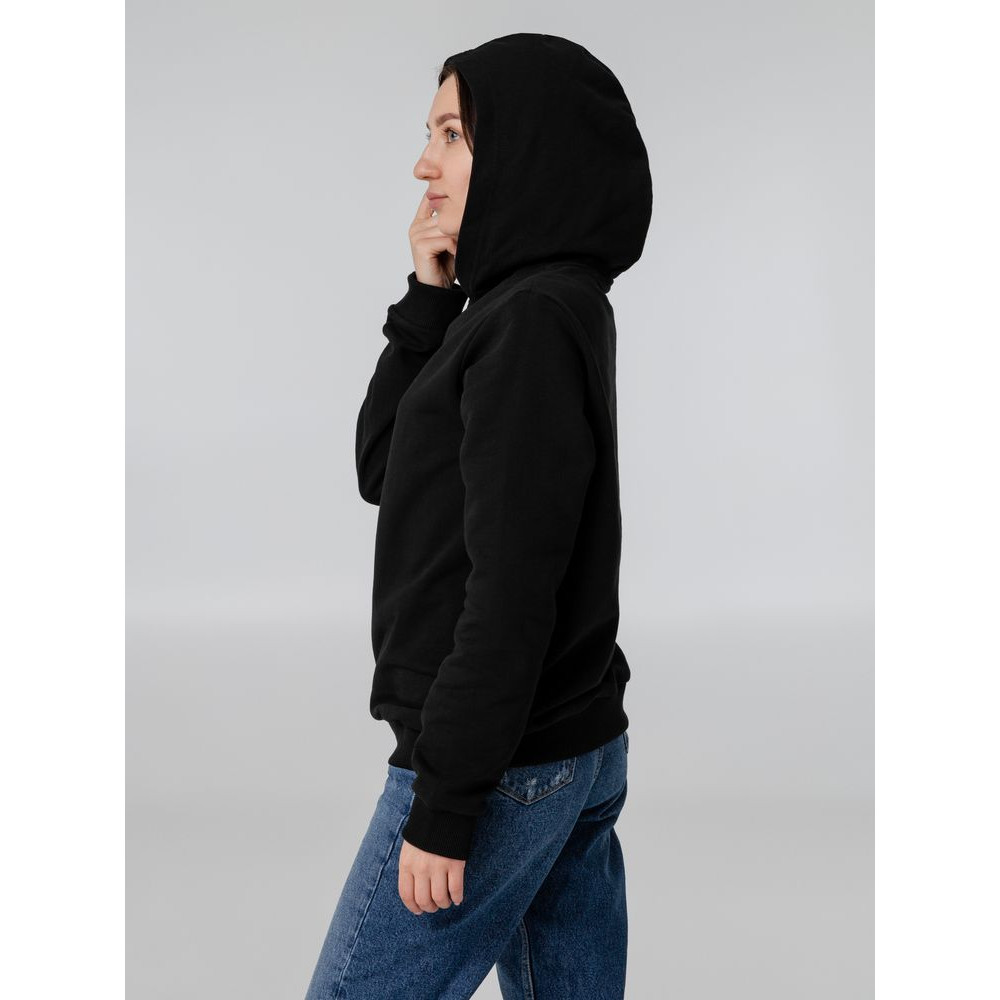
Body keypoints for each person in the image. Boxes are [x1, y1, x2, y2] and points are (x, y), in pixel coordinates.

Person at [304, 31, 652, 1000]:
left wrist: (448, 800)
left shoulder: (529, 322)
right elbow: (384, 466)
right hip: (563, 746)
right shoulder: (519, 310)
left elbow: (511, 588)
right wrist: (429, 299)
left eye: (452, 134)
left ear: (526, 148)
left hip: (502, 768)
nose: (424, 164)